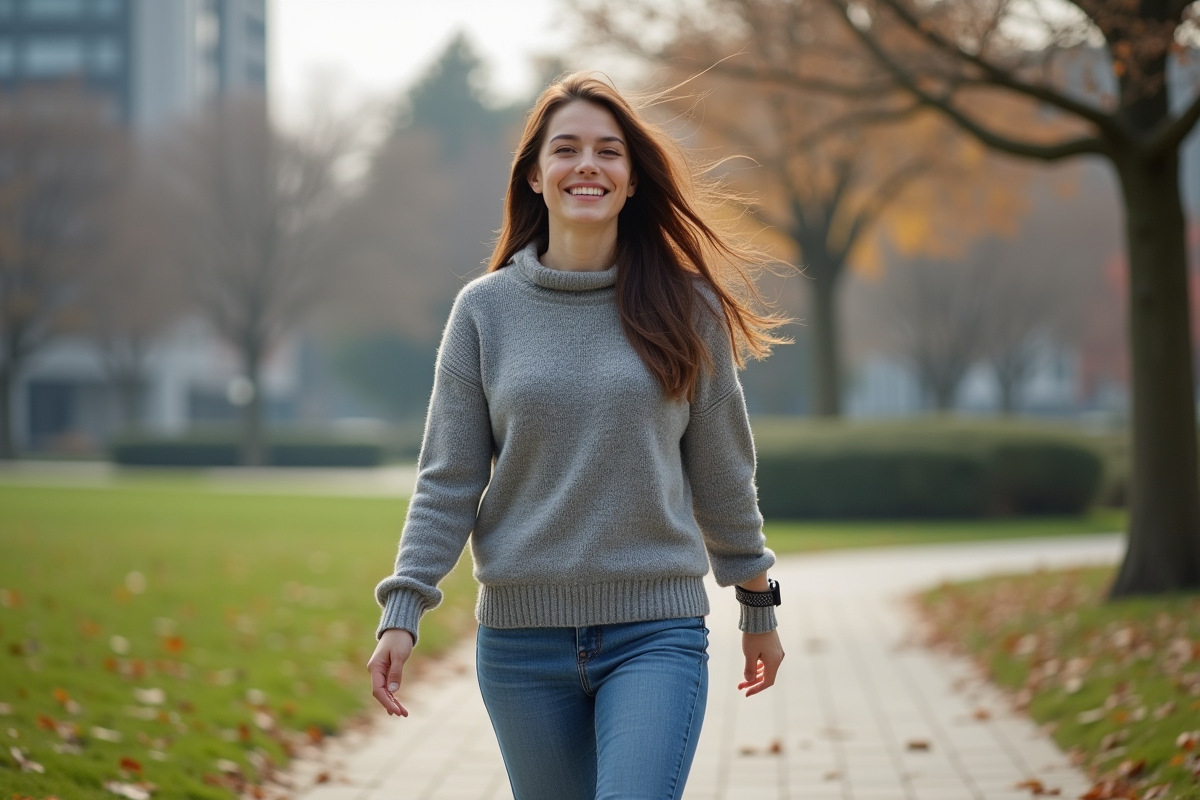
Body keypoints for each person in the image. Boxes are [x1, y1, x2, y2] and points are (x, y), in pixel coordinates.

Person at [366, 72, 788, 800]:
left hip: (655, 633)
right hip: (521, 648)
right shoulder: (483, 313)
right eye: (566, 149)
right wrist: (403, 611)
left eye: (608, 151)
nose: (586, 164)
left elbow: (723, 474)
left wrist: (757, 604)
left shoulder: (687, 309)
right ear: (534, 175)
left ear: (631, 181)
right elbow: (448, 479)